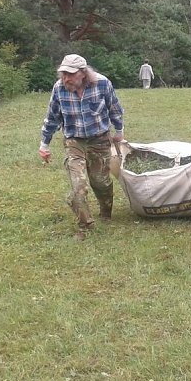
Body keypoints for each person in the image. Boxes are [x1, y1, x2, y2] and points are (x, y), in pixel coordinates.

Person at [39, 53, 125, 241]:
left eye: (71, 74)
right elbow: (52, 117)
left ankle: (105, 212)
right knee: (79, 185)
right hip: (74, 141)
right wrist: (44, 144)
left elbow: (114, 108)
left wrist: (119, 131)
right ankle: (85, 224)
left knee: (100, 182)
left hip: (100, 139)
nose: (66, 78)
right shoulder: (59, 88)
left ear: (83, 73)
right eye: (63, 73)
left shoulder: (102, 84)